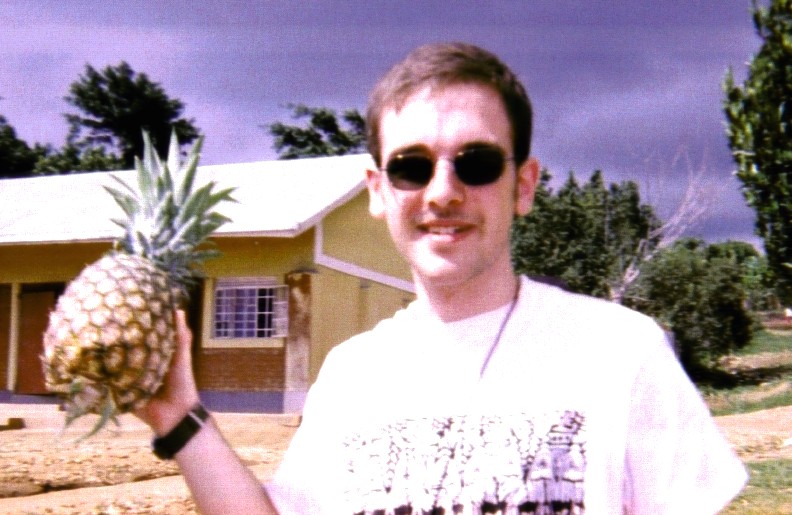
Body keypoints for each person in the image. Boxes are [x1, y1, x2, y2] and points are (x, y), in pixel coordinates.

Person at [137, 42, 748, 514]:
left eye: (476, 163)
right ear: (378, 191)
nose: (443, 192)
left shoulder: (622, 352)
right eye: (412, 166)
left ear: (524, 185)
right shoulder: (352, 376)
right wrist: (177, 413)